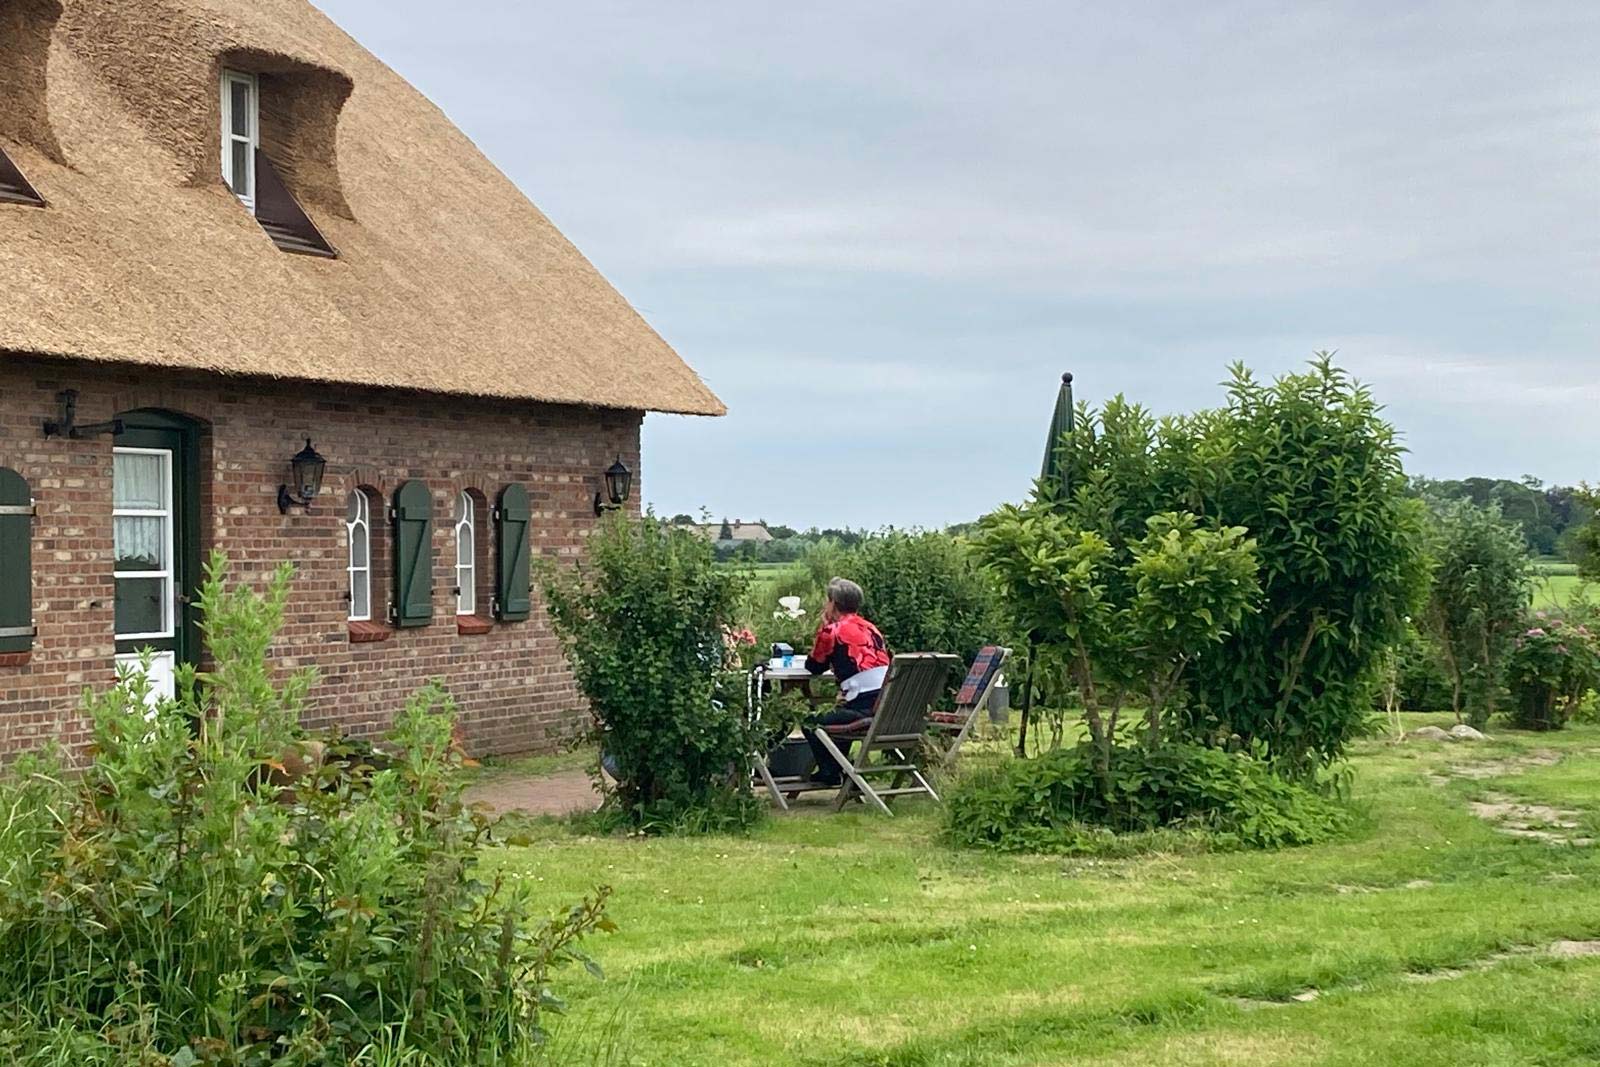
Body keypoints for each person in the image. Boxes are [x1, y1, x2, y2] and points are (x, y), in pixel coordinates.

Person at [803, 577, 890, 786]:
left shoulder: (832, 631)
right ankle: (838, 769)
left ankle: (830, 772)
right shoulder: (872, 629)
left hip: (863, 710)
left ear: (833, 602)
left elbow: (814, 666)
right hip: (886, 706)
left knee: (810, 721)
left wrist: (823, 630)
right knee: (838, 713)